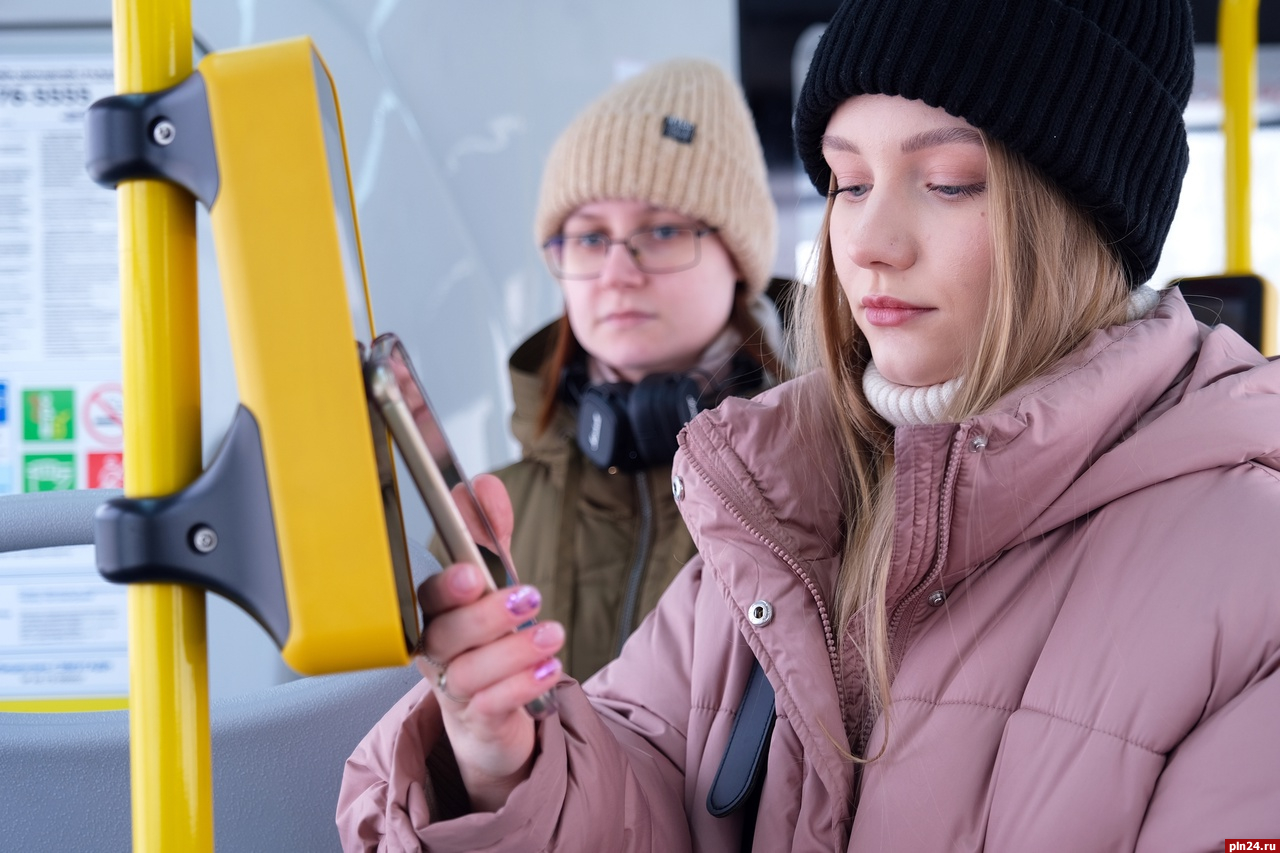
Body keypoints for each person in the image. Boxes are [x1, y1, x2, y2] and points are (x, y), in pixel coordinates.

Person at [338, 1, 1280, 849]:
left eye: (948, 180)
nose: (866, 242)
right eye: (846, 182)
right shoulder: (773, 503)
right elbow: (648, 789)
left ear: (1084, 217)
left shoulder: (1253, 578)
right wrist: (506, 763)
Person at [426, 58, 787, 682]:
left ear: (739, 258)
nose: (619, 272)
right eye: (590, 239)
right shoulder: (482, 523)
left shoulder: (843, 483)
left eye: (664, 230)